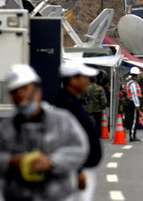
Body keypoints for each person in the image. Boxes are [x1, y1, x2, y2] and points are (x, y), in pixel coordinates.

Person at [0, 64, 89, 201]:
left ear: (38, 91)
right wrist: (10, 161)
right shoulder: (7, 127)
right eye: (15, 91)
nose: (20, 95)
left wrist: (52, 162)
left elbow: (78, 148)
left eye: (24, 89)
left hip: (58, 196)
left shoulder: (61, 120)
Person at [56, 60, 103, 200]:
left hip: (80, 167)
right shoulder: (66, 105)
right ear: (72, 79)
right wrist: (78, 170)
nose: (87, 81)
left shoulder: (71, 101)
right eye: (84, 78)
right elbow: (65, 140)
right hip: (74, 169)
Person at [124, 67, 142, 141]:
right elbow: (134, 94)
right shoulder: (132, 83)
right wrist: (137, 105)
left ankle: (133, 135)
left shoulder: (130, 82)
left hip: (131, 102)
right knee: (134, 120)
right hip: (133, 103)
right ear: (136, 75)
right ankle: (132, 136)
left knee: (133, 119)